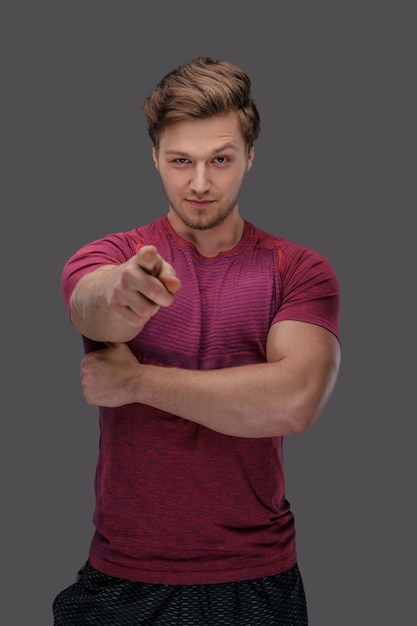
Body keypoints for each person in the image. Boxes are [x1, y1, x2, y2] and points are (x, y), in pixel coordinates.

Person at [53, 56, 341, 626]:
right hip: (122, 577)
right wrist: (123, 293)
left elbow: (295, 400)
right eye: (181, 161)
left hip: (257, 578)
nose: (201, 183)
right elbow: (91, 303)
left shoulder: (299, 269)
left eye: (221, 160)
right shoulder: (110, 256)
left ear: (251, 157)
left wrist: (134, 381)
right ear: (154, 157)